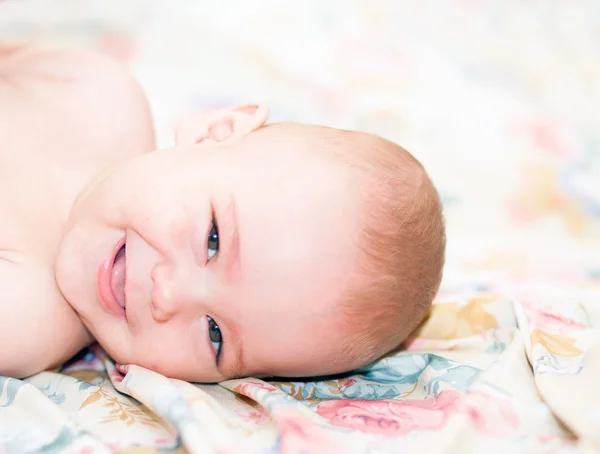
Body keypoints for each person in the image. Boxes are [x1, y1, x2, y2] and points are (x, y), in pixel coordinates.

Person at [0, 42, 445, 382]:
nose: (168, 295)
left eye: (215, 335)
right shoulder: (95, 92)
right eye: (213, 240)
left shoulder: (27, 317)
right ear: (217, 130)